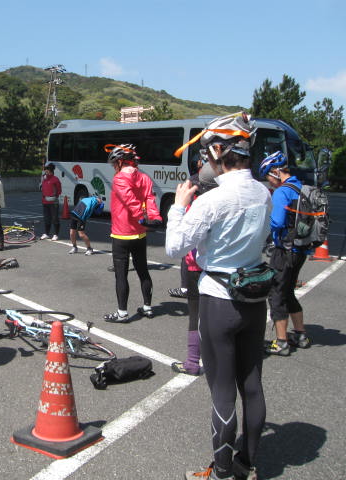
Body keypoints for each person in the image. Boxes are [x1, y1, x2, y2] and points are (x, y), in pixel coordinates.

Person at [165, 112, 271, 480]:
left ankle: (222, 472)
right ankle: (247, 464)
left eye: (208, 152)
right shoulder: (263, 192)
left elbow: (175, 248)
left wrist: (179, 206)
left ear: (219, 151)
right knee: (252, 385)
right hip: (255, 300)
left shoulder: (213, 199)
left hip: (219, 298)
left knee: (223, 390)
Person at [259, 151, 311, 356]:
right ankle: (300, 334)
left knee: (276, 292)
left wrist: (266, 229)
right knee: (288, 290)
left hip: (285, 249)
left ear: (275, 171)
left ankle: (281, 342)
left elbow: (278, 222)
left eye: (269, 177)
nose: (270, 183)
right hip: (301, 248)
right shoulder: (302, 187)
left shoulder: (282, 192)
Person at [103, 144, 162, 322]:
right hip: (139, 234)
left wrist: (141, 218)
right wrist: (155, 217)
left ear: (120, 162)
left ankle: (122, 313)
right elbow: (150, 200)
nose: (114, 168)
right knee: (143, 270)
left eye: (114, 164)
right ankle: (147, 307)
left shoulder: (120, 178)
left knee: (121, 274)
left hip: (122, 233)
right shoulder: (144, 178)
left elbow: (130, 201)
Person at [170, 162, 218, 376]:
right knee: (216, 314)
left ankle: (192, 361)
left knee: (195, 314)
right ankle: (216, 358)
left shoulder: (194, 203)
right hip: (218, 266)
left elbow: (177, 243)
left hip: (194, 264)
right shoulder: (223, 202)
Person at [40, 162, 61, 241]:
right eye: (45, 170)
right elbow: (42, 188)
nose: (45, 171)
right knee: (46, 218)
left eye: (47, 170)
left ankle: (56, 234)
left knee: (55, 218)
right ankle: (46, 233)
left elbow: (59, 190)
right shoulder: (44, 179)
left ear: (51, 171)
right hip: (45, 201)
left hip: (53, 202)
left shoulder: (55, 179)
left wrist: (54, 197)